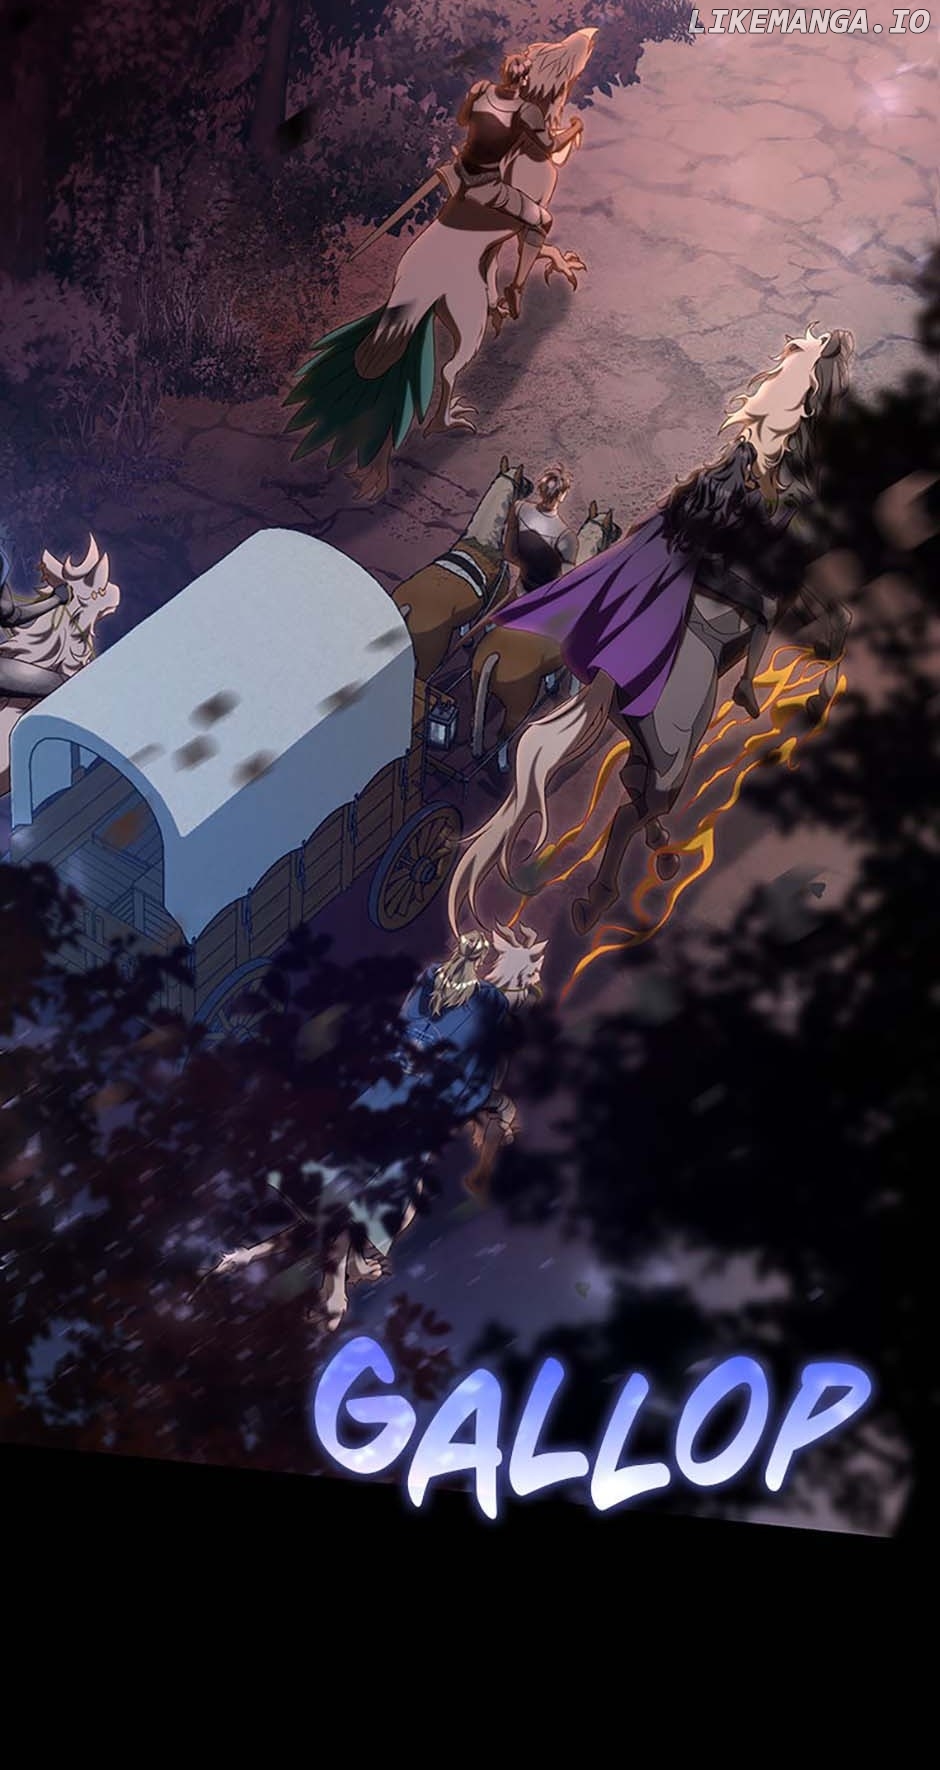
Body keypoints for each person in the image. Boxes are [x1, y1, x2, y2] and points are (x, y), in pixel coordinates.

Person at [448, 325, 856, 937]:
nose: (767, 379)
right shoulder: (767, 478)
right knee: (669, 766)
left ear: (802, 407)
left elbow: (683, 523)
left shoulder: (748, 469)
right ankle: (612, 872)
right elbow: (767, 579)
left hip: (684, 578)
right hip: (705, 600)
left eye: (783, 374)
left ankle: (654, 803)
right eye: (777, 369)